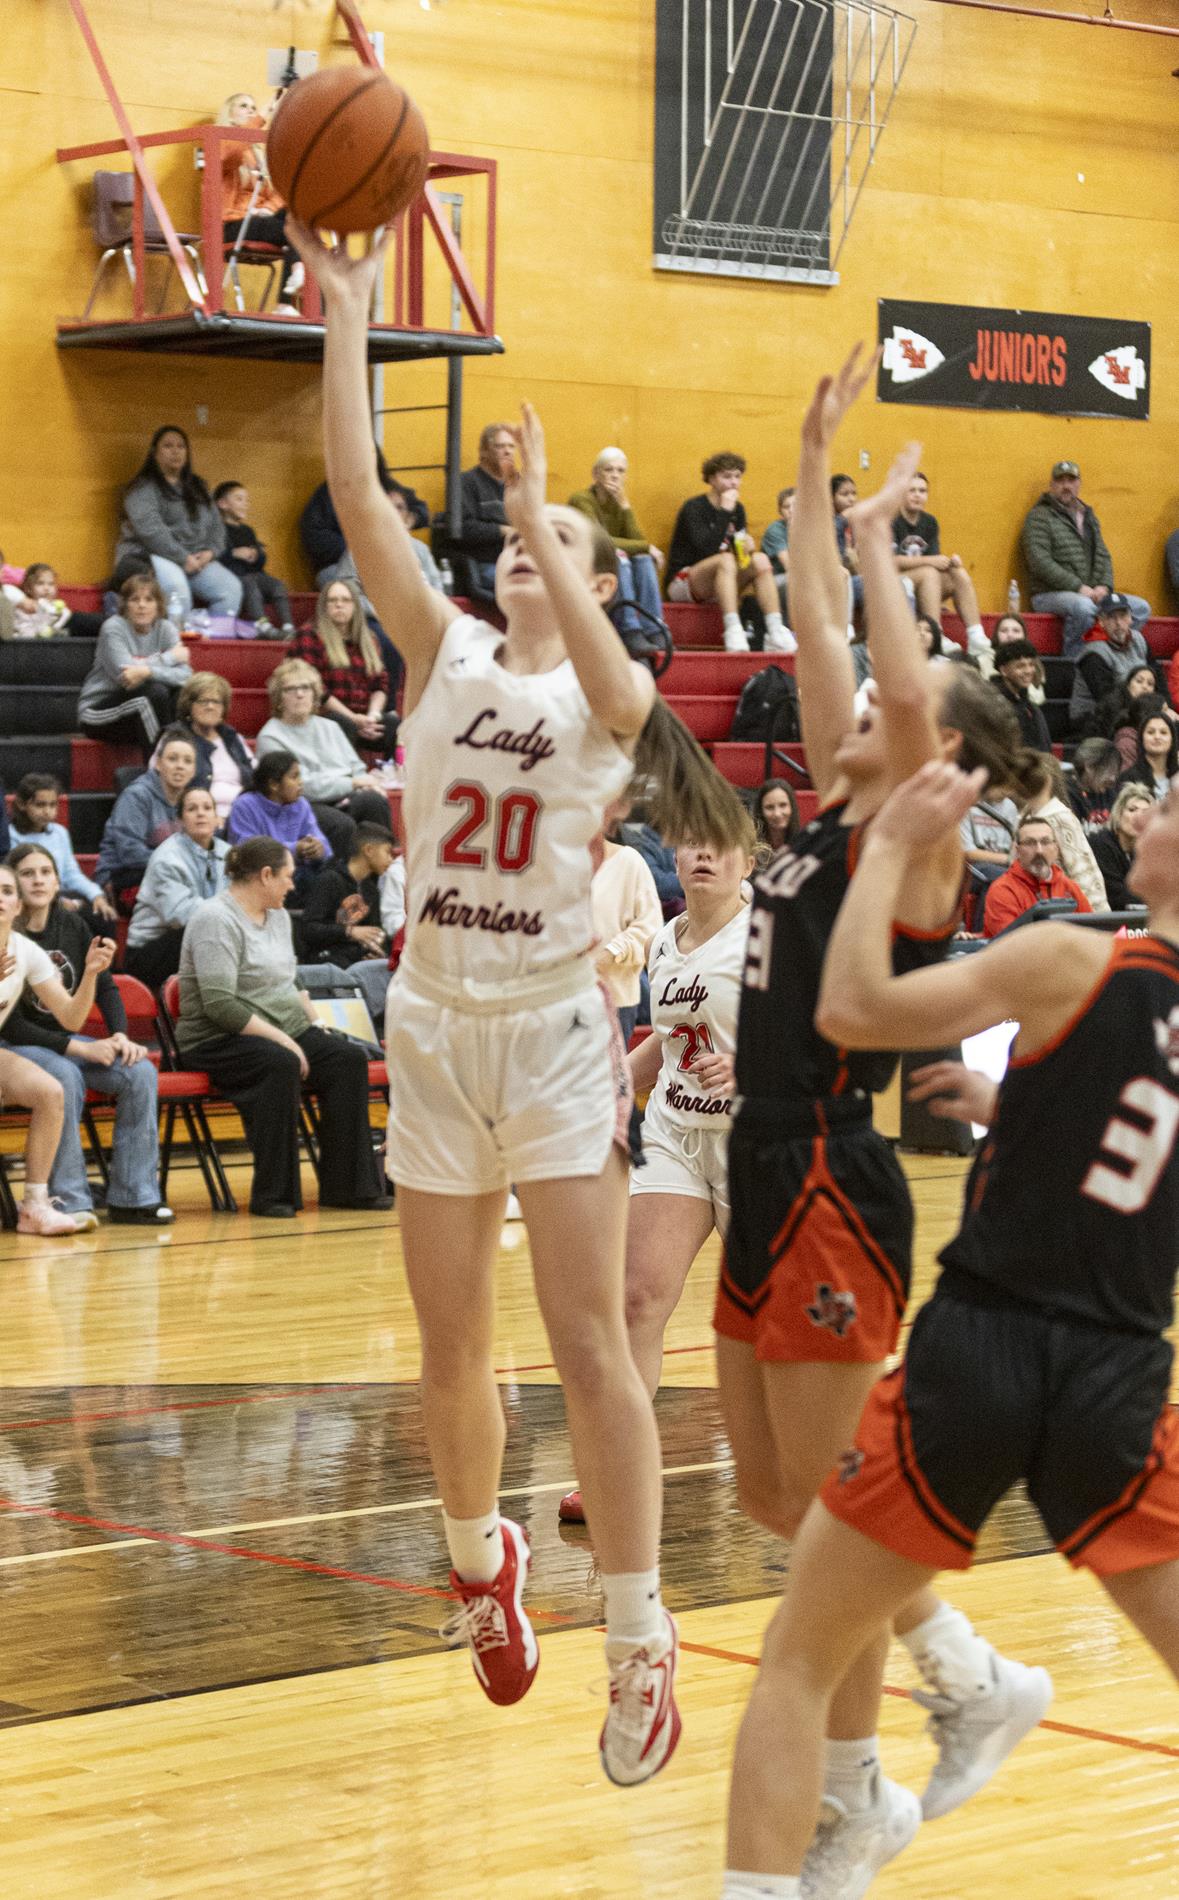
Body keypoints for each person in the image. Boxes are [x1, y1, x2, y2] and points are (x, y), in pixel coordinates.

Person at [288, 211, 755, 1785]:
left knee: (587, 1347)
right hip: (432, 1020)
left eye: (541, 554)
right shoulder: (443, 655)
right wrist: (349, 310)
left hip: (554, 1028)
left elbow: (621, 670)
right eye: (504, 548)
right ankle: (482, 1565)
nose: (509, 559)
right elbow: (356, 495)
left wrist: (549, 510)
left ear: (585, 578)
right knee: (443, 1343)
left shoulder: (609, 707)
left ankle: (636, 1643)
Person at [715, 349, 1048, 1900]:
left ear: (938, 763)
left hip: (829, 1172)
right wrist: (817, 475)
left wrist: (880, 555)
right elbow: (815, 624)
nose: (840, 699)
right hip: (754, 1152)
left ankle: (855, 1793)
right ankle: (959, 1672)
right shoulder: (847, 805)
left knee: (828, 1518)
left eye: (889, 717)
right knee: (776, 1498)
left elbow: (899, 685)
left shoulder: (915, 849)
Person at [739, 756, 1179, 1899]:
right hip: (1118, 1370)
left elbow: (851, 1013)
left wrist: (885, 848)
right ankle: (971, 1682)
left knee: (797, 1655)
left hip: (980, 1346)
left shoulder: (1071, 954)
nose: (1148, 809)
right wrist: (1021, 1110)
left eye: (1169, 806)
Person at [561, 816, 756, 1525]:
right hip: (676, 1131)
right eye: (692, 841)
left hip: (756, 1138)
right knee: (635, 1298)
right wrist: (608, 1086)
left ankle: (824, 1462)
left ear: (749, 858)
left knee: (771, 1321)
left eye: (720, 842)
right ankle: (614, 1470)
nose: (703, 853)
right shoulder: (666, 940)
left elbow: (823, 1034)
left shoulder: (773, 934)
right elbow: (668, 1045)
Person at [176, 834, 388, 1219]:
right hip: (217, 1037)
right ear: (266, 875)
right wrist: (286, 1042)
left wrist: (316, 1029)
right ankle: (274, 1194)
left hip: (282, 1028)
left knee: (346, 1059)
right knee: (280, 1062)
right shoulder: (214, 919)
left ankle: (348, 1188)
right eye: (288, 877)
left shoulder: (278, 918)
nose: (293, 886)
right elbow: (220, 1004)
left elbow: (293, 983)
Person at [5, 843, 171, 1227]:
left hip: (66, 1043)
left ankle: (135, 1196)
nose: (38, 880)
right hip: (18, 1046)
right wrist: (79, 1046)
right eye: (27, 874)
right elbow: (10, 1021)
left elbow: (106, 988)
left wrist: (119, 1036)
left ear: (58, 880)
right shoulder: (8, 935)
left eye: (46, 872)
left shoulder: (72, 925)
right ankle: (69, 1199)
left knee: (139, 1072)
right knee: (63, 1075)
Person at [0, 858, 122, 1235]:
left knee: (51, 1091)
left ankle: (34, 1205)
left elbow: (71, 1019)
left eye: (6, 892)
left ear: (17, 905)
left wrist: (89, 974)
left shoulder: (25, 950)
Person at [254, 657, 391, 859]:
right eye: (290, 689)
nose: (300, 694)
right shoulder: (270, 736)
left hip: (344, 796)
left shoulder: (330, 726)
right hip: (302, 804)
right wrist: (353, 783)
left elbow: (356, 767)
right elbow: (301, 787)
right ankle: (344, 884)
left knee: (374, 801)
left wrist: (369, 785)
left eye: (306, 688)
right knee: (341, 824)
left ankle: (379, 880)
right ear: (279, 698)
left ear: (315, 694)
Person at [666, 453, 793, 655]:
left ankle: (776, 630)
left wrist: (747, 549)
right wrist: (724, 511)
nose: (734, 482)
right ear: (712, 479)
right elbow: (705, 550)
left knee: (759, 560)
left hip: (723, 578)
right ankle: (733, 629)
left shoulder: (738, 509)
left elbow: (739, 556)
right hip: (685, 580)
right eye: (726, 476)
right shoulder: (694, 508)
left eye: (737, 476)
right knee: (726, 560)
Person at [1022, 461, 1150, 660]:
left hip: (1089, 593)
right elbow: (1039, 562)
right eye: (1060, 481)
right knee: (1084, 608)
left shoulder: (1089, 516)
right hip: (1048, 594)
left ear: (1079, 484)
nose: (1066, 486)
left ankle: (1111, 657)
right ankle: (1074, 664)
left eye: (1071, 480)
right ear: (1051, 485)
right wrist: (1079, 588)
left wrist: (1104, 586)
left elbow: (1103, 555)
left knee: (1141, 608)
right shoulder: (1039, 517)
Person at [112, 425, 243, 620]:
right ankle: (178, 645)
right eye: (168, 446)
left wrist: (211, 552)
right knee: (177, 589)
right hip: (152, 554)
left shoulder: (199, 487)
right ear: (154, 453)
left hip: (196, 558)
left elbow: (217, 526)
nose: (175, 451)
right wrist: (182, 558)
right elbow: (151, 532)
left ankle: (210, 643)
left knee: (231, 589)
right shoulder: (142, 488)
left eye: (181, 446)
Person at [124, 785, 229, 989]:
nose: (200, 813)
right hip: (150, 952)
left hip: (204, 936)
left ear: (218, 819)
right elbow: (180, 916)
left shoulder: (230, 855)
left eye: (207, 808)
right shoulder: (167, 858)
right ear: (180, 820)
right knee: (206, 933)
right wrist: (231, 912)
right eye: (192, 809)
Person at [79, 573, 193, 756]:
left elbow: (186, 676)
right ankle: (158, 771)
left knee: (180, 694)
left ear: (158, 605)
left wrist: (146, 671)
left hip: (142, 716)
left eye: (149, 600)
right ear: (125, 605)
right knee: (153, 693)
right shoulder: (113, 627)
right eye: (135, 599)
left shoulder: (166, 628)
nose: (142, 605)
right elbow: (126, 675)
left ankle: (179, 761)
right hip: (99, 714)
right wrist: (169, 658)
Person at [298, 821, 397, 1021]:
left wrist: (377, 952)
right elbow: (308, 929)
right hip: (327, 962)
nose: (391, 860)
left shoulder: (371, 890)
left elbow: (376, 931)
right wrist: (349, 932)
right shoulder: (329, 880)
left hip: (356, 961)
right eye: (387, 852)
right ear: (369, 850)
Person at [215, 91, 303, 316]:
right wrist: (263, 115)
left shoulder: (258, 154)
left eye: (253, 107)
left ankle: (293, 285)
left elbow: (280, 191)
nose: (251, 111)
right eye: (243, 106)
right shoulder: (220, 144)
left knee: (301, 214)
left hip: (259, 220)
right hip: (231, 224)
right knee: (295, 232)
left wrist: (267, 208)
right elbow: (230, 154)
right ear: (230, 116)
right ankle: (293, 284)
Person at [292, 579, 399, 760]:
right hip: (325, 718)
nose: (339, 605)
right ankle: (347, 777)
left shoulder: (369, 639)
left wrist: (372, 716)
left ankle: (391, 774)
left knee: (393, 723)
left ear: (355, 606)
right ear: (324, 606)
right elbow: (316, 689)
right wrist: (353, 718)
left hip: (363, 719)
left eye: (345, 600)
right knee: (341, 724)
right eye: (332, 601)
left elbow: (380, 684)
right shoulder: (309, 636)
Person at [94, 727, 197, 909]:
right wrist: (180, 863)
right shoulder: (137, 796)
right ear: (158, 763)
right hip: (123, 878)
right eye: (172, 759)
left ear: (194, 770)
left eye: (187, 761)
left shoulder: (192, 800)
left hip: (168, 874)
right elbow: (130, 853)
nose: (180, 765)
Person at [891, 469, 988, 655]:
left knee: (957, 573)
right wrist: (931, 561)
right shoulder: (891, 519)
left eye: (922, 491)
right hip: (894, 581)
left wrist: (950, 563)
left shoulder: (929, 522)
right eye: (912, 490)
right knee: (929, 572)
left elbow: (935, 560)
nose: (918, 495)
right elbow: (890, 561)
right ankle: (935, 635)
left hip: (923, 580)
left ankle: (976, 636)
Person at [568, 449, 665, 631]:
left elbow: (639, 543)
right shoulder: (582, 499)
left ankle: (655, 627)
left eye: (620, 471)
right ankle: (629, 627)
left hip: (609, 563)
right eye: (609, 470)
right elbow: (598, 541)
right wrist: (646, 546)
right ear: (596, 474)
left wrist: (625, 506)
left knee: (643, 560)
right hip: (585, 563)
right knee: (620, 561)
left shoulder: (619, 502)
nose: (615, 476)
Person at [300, 451, 428, 588]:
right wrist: (359, 549)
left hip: (390, 561)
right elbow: (313, 532)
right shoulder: (329, 492)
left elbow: (420, 510)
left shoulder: (387, 486)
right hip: (340, 565)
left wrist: (412, 518)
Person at [591, 822, 663, 1048]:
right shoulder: (553, 865)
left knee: (607, 1081)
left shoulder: (628, 861)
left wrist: (613, 952)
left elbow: (650, 927)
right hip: (559, 996)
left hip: (614, 996)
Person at [9, 774, 117, 923]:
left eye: (52, 805)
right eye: (40, 805)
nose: (47, 811)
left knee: (102, 914)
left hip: (62, 893)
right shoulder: (10, 835)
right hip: (32, 896)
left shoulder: (60, 832)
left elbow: (71, 874)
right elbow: (16, 879)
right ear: (22, 804)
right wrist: (56, 901)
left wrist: (96, 895)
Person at [227, 749, 331, 901]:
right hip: (261, 879)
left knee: (334, 875)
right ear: (274, 784)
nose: (300, 782)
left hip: (298, 873)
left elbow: (322, 842)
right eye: (294, 777)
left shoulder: (301, 804)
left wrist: (318, 848)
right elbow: (247, 853)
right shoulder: (244, 805)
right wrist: (295, 849)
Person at [1023, 755, 1108, 912]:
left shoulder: (1061, 817)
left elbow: (1083, 871)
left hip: (1064, 909)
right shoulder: (1022, 818)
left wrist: (1097, 917)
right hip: (1029, 904)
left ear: (1047, 780)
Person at [982, 814, 1092, 935]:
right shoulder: (1002, 890)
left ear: (1056, 849)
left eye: (1045, 842)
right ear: (1017, 851)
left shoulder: (1070, 887)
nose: (1039, 850)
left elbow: (1091, 933)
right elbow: (1011, 944)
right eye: (1030, 843)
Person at [168, 671, 254, 824]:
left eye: (216, 702)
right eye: (203, 701)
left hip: (242, 816)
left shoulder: (233, 738)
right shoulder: (175, 737)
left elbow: (256, 776)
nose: (210, 706)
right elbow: (163, 787)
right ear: (189, 706)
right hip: (200, 820)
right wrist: (211, 818)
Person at [212, 481, 295, 635]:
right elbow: (213, 556)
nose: (245, 504)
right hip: (235, 576)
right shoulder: (217, 530)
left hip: (256, 574)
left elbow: (260, 562)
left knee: (278, 585)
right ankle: (263, 626)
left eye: (247, 500)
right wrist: (234, 553)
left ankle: (288, 626)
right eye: (239, 499)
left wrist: (257, 555)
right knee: (251, 587)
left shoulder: (247, 530)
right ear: (223, 503)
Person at [1068, 591, 1153, 732]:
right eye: (1112, 618)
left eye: (1123, 616)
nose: (1119, 623)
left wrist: (1164, 706)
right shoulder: (1093, 654)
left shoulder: (1139, 640)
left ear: (1131, 618)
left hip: (1134, 711)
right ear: (1101, 622)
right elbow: (1107, 699)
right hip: (1093, 718)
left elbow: (1158, 678)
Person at [457, 422, 515, 599]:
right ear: (483, 451)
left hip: (517, 559)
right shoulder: (466, 483)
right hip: (484, 562)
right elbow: (462, 528)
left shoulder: (519, 484)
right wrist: (503, 530)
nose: (508, 451)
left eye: (511, 446)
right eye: (500, 446)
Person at [1090, 784, 1153, 910]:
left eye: (1145, 813)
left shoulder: (1142, 849)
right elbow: (1116, 895)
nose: (1138, 817)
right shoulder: (1101, 844)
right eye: (1132, 810)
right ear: (1118, 814)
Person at [1100, 666, 1173, 768]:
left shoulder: (1159, 735)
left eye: (1150, 684)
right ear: (1128, 684)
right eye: (1139, 681)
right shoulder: (1127, 741)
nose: (1145, 687)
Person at [991, 637, 1052, 751]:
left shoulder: (1029, 706)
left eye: (1031, 664)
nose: (1029, 671)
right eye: (1020, 666)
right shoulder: (994, 705)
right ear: (1003, 670)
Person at [1118, 706, 1179, 802]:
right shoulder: (1128, 778)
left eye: (1163, 732)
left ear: (1172, 740)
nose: (1157, 737)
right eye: (1150, 732)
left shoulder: (1177, 777)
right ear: (1142, 739)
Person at [1066, 736, 1122, 835]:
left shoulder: (1110, 793)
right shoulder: (1066, 793)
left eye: (1115, 771)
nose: (1113, 778)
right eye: (1109, 770)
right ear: (1089, 766)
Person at [2, 563, 71, 638]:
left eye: (51, 584)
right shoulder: (23, 609)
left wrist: (56, 623)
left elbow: (65, 617)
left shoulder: (58, 609)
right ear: (28, 588)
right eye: (40, 583)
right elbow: (22, 632)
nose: (46, 588)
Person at [761, 487, 793, 613]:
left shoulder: (811, 527)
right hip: (776, 580)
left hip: (803, 576)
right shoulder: (775, 530)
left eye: (796, 505)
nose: (792, 510)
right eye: (787, 507)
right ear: (780, 511)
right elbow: (789, 566)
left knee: (841, 575)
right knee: (798, 581)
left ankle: (845, 627)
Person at [752, 778, 800, 853]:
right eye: (769, 807)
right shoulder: (751, 847)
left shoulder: (803, 842)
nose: (777, 814)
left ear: (792, 807)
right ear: (760, 811)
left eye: (783, 805)